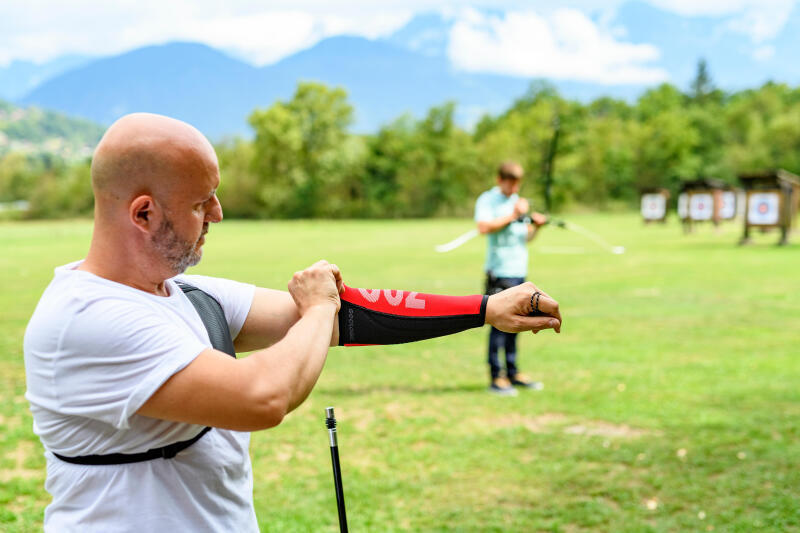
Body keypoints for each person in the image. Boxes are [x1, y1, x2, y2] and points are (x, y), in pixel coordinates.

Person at [24, 114, 561, 532]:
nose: (217, 214)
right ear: (143, 214)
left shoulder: (185, 293)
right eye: (200, 201)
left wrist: (484, 308)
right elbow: (262, 395)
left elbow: (342, 313)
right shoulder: (87, 319)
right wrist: (321, 307)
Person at [475, 161, 549, 396]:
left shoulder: (516, 202)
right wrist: (513, 215)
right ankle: (496, 377)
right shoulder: (488, 200)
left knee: (517, 322)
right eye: (510, 184)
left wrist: (536, 227)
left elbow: (524, 237)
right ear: (500, 180)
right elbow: (484, 227)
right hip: (499, 272)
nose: (514, 189)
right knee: (499, 324)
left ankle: (513, 372)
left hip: (519, 272)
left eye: (518, 184)